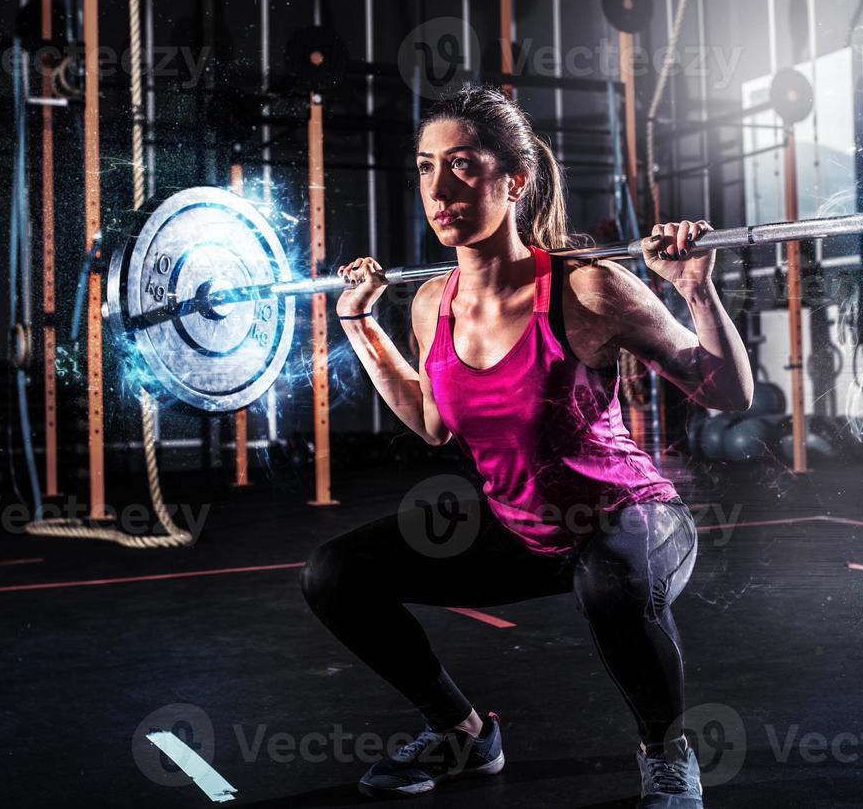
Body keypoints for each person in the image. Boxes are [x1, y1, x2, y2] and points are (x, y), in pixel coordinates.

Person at [299, 84, 753, 807]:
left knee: (610, 580)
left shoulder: (588, 289)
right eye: (424, 167)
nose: (439, 188)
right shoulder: (428, 302)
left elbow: (727, 395)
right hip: (521, 526)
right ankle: (462, 733)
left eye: (463, 166)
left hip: (625, 516)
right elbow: (431, 421)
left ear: (513, 181)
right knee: (334, 573)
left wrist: (695, 289)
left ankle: (666, 751)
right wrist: (360, 326)